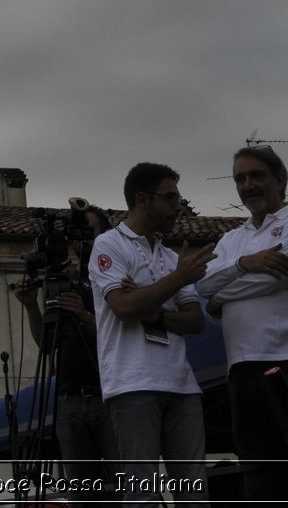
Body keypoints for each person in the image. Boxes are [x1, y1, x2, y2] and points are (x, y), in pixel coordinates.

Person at [196, 146, 288, 502]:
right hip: (241, 367)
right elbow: (201, 285)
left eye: (256, 175)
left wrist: (222, 297)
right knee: (260, 471)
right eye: (240, 179)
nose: (248, 185)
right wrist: (245, 263)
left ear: (281, 180)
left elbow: (276, 278)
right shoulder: (232, 240)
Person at [88, 163, 214, 507]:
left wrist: (152, 307)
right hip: (132, 383)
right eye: (170, 197)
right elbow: (124, 308)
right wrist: (174, 282)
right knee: (141, 494)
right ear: (142, 199)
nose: (179, 206)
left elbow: (195, 322)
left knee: (194, 494)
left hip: (183, 385)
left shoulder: (173, 256)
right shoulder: (108, 245)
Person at [16, 206, 121, 499]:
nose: (79, 240)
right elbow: (46, 344)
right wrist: (30, 305)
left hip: (108, 393)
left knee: (124, 488)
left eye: (87, 232)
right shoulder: (62, 279)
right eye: (74, 234)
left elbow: (122, 337)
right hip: (68, 398)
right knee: (80, 493)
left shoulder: (113, 277)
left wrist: (85, 315)